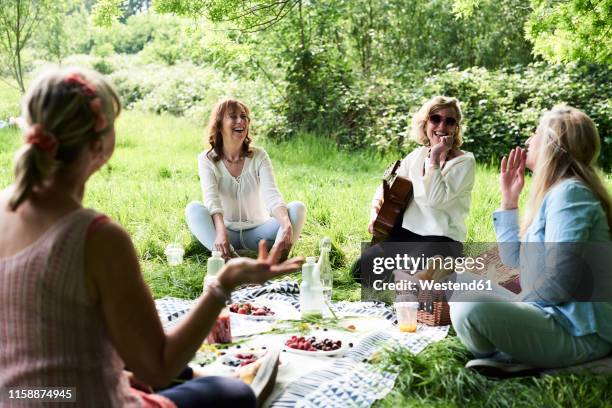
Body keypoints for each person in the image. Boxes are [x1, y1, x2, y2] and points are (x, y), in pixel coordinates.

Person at [0, 67, 304, 408]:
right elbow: (158, 367)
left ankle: (187, 379)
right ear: (101, 144)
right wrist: (224, 282)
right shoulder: (97, 238)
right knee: (234, 394)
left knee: (138, 369)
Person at [450, 105, 612, 375]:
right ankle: (520, 356)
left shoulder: (570, 193)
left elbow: (562, 282)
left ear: (552, 144)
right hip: (550, 314)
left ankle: (543, 363)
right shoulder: (556, 192)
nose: (528, 140)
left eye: (535, 132)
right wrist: (509, 200)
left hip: (578, 331)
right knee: (461, 281)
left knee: (471, 306)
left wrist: (516, 304)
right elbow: (514, 260)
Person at [353, 96, 476, 282]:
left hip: (441, 238)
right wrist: (375, 210)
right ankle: (412, 277)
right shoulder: (417, 155)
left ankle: (445, 269)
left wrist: (435, 157)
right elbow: (389, 184)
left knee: (414, 275)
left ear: (456, 128)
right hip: (407, 233)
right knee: (360, 271)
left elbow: (436, 200)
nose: (442, 126)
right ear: (425, 123)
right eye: (436, 119)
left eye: (450, 121)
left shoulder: (465, 162)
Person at [185, 98, 306, 259]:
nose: (240, 121)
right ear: (219, 124)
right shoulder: (206, 159)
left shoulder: (259, 156)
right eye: (233, 117)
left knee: (297, 208)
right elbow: (211, 200)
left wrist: (285, 225)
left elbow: (272, 195)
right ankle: (230, 258)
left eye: (244, 117)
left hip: (259, 232)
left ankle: (276, 258)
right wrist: (221, 234)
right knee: (193, 209)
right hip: (225, 232)